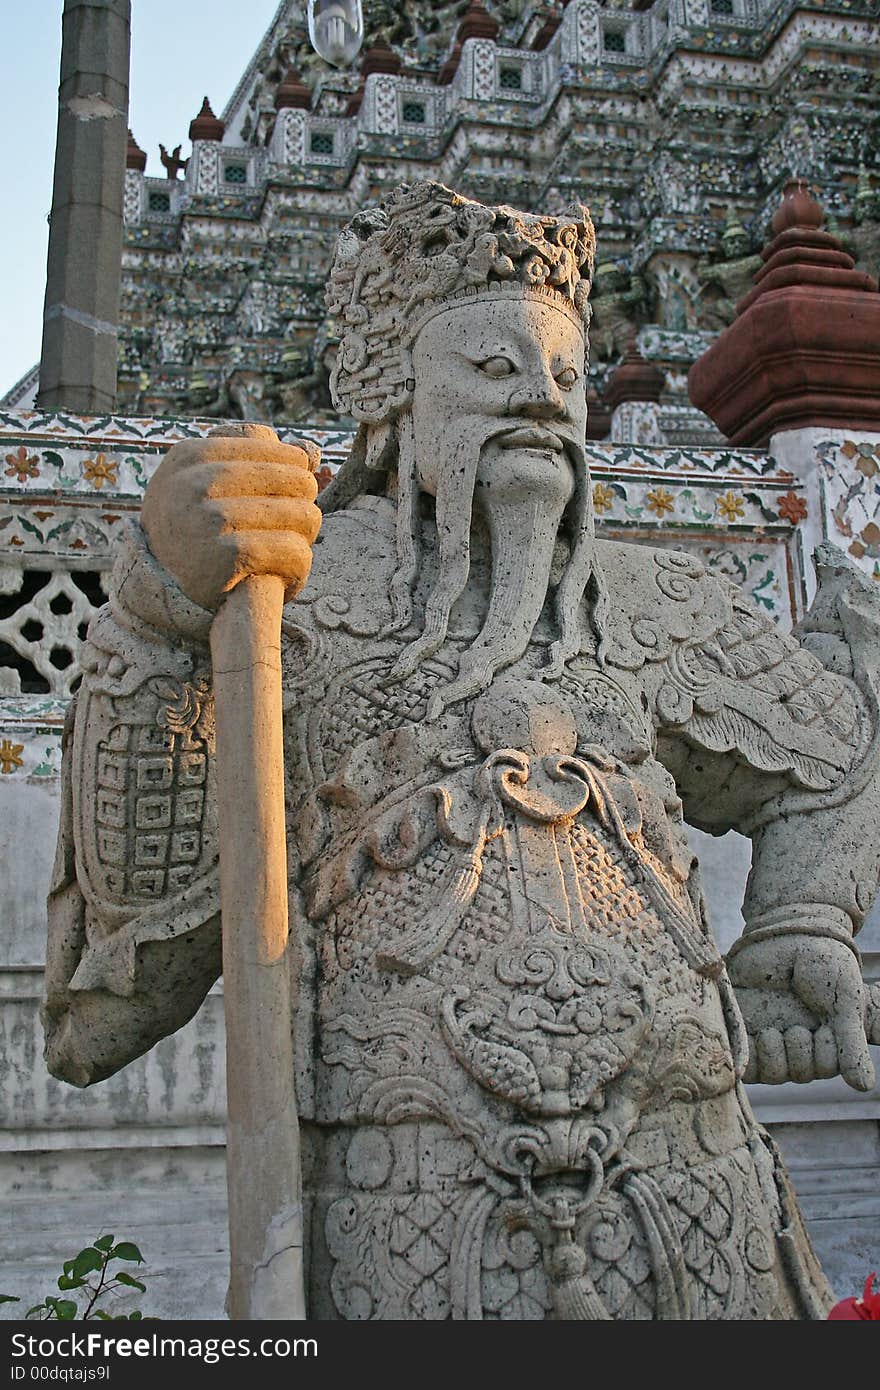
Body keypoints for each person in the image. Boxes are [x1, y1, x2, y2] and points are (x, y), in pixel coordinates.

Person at [43, 181, 880, 1320]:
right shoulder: (290, 600)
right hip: (408, 1210)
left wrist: (799, 923)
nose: (541, 395)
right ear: (392, 402)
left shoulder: (657, 604)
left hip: (704, 1194)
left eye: (567, 378)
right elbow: (117, 996)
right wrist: (156, 613)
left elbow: (836, 758)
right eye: (491, 370)